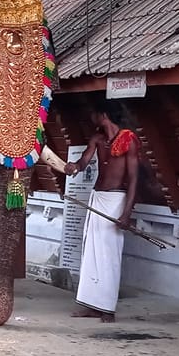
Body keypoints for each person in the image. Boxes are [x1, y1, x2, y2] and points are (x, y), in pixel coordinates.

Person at [65, 101, 139, 321]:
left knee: (109, 255)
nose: (91, 118)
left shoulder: (129, 139)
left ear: (103, 114)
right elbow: (84, 161)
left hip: (116, 199)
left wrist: (127, 213)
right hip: (97, 198)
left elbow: (134, 180)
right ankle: (91, 305)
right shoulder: (97, 139)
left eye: (93, 114)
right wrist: (74, 167)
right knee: (91, 254)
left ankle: (107, 309)